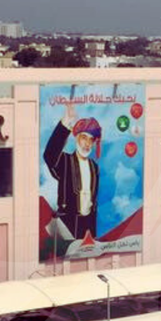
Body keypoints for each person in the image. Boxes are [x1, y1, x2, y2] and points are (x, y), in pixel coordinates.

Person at [42, 102, 101, 243]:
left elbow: (93, 203)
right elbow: (49, 155)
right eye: (84, 138)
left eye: (91, 140)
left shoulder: (95, 167)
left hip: (88, 227)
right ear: (77, 138)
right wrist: (66, 122)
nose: (87, 143)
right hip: (67, 226)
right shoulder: (65, 161)